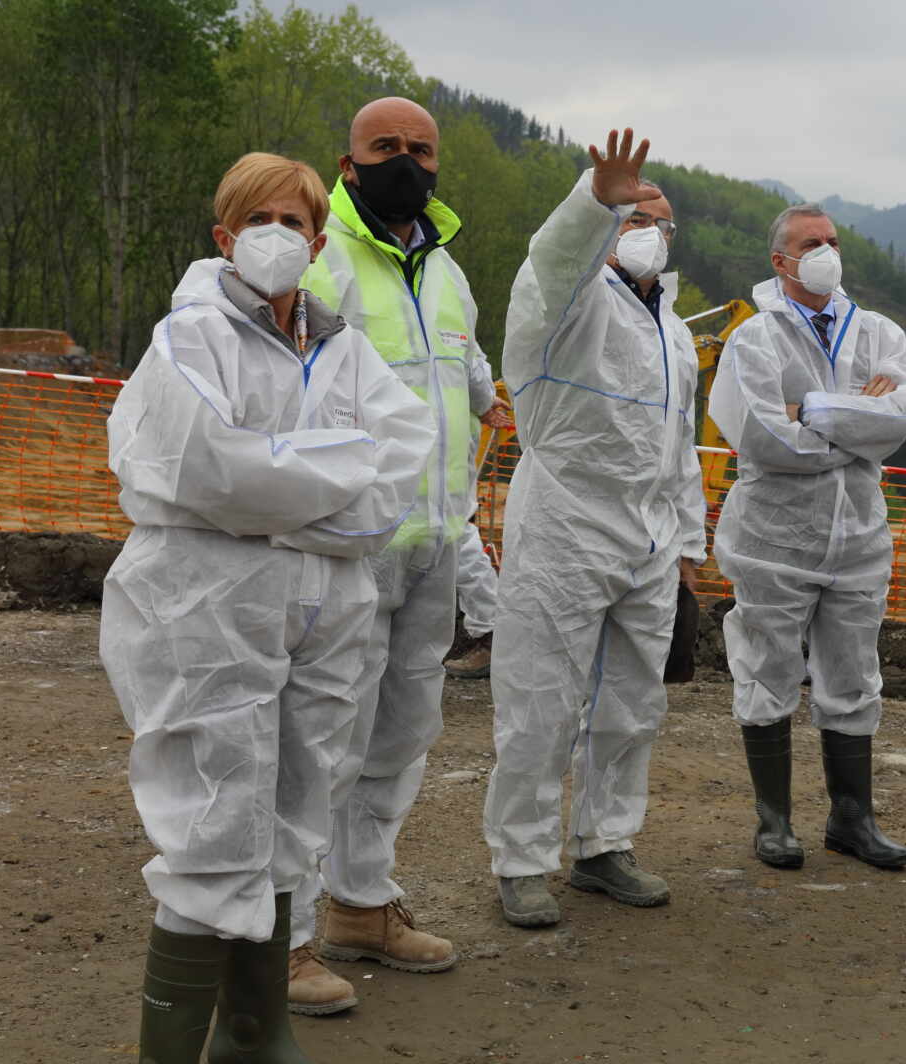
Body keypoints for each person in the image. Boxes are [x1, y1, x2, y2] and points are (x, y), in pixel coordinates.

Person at [99, 152, 432, 1061]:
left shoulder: (344, 346)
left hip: (322, 615)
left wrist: (281, 495)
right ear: (224, 236)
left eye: (295, 222)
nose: (280, 237)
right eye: (261, 220)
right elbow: (208, 468)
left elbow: (399, 464)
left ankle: (254, 1033)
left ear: (320, 239)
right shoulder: (190, 339)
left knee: (295, 813)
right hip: (206, 611)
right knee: (210, 822)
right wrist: (326, 482)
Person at [288, 96, 511, 1014]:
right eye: (386, 148)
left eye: (421, 150)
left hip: (434, 544)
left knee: (400, 736)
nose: (406, 163)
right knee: (317, 745)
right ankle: (287, 938)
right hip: (347, 548)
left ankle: (359, 904)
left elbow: (466, 380)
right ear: (348, 162)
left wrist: (494, 395)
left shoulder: (448, 272)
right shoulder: (319, 258)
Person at [483, 128, 706, 927]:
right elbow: (553, 265)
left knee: (632, 705)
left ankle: (605, 846)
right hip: (566, 527)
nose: (647, 228)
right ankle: (521, 859)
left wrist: (687, 542)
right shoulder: (567, 306)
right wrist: (593, 201)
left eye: (658, 219)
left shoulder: (675, 332)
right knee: (540, 701)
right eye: (634, 214)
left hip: (647, 537)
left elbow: (677, 445)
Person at [707, 205, 906, 871]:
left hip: (858, 533)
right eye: (810, 244)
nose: (826, 252)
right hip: (775, 535)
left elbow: (901, 415)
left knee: (853, 673)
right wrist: (857, 423)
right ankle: (774, 821)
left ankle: (851, 819)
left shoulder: (879, 333)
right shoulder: (755, 339)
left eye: (831, 241)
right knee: (768, 668)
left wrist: (816, 410)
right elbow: (764, 438)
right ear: (780, 261)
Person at [443, 416, 503, 680]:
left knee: (460, 539)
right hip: (447, 438)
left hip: (442, 445)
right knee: (459, 538)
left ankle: (491, 636)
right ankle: (491, 634)